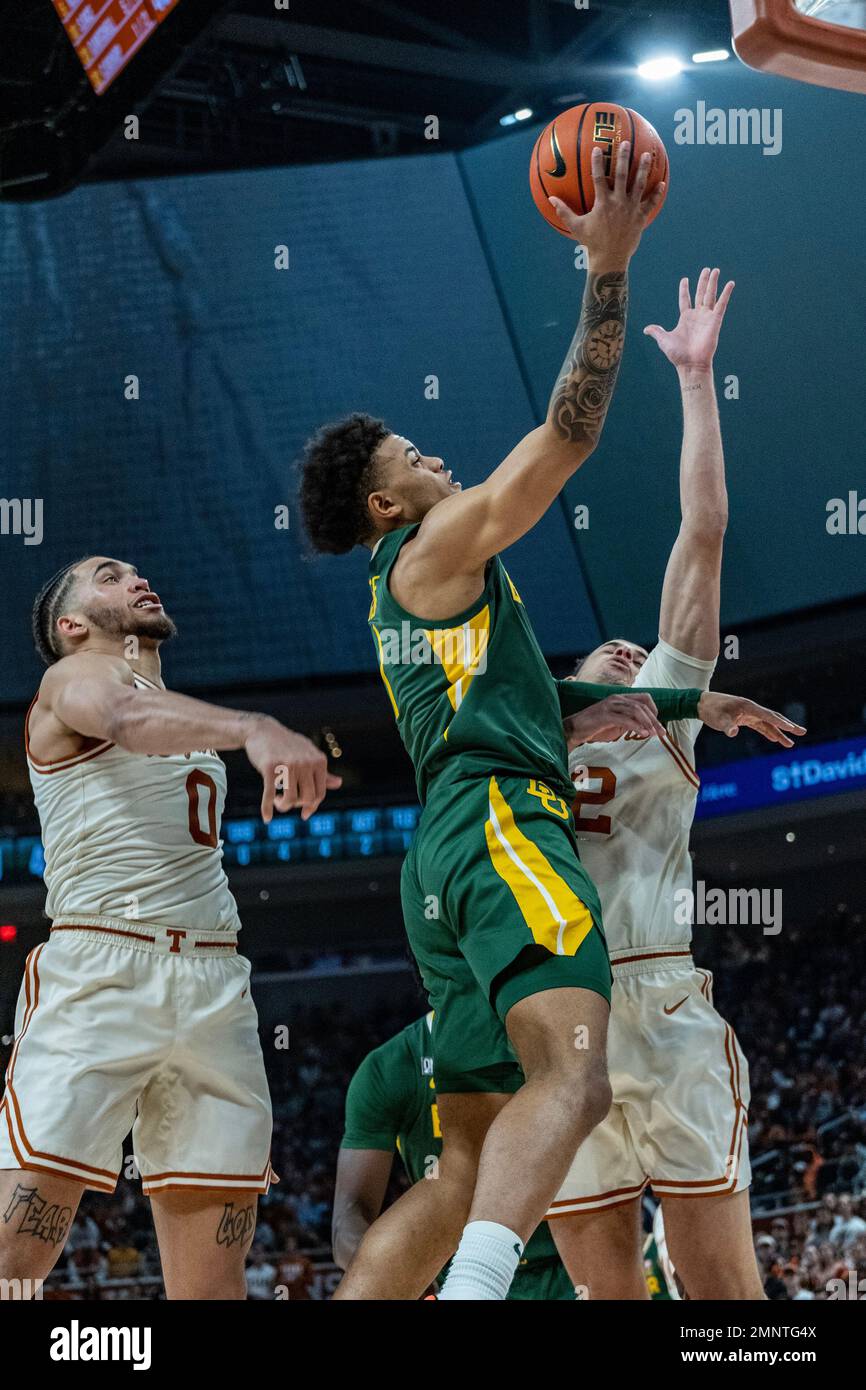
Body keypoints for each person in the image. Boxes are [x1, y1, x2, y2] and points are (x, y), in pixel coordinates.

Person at [301, 145, 803, 1299]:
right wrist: (607, 270)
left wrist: (687, 694)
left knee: (709, 1292)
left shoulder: (621, 710)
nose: (434, 458)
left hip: (604, 974)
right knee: (573, 1168)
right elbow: (564, 439)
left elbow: (701, 537)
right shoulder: (442, 565)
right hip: (541, 924)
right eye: (410, 457)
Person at [0, 555, 339, 1299]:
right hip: (105, 969)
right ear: (72, 622)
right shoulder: (76, 676)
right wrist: (255, 727)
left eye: (136, 572)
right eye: (109, 575)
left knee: (213, 1284)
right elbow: (123, 719)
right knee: (15, 1253)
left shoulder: (173, 707)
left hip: (215, 978)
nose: (137, 577)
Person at [546, 269, 772, 1299]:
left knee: (723, 1294)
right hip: (555, 1012)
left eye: (643, 653)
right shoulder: (520, 739)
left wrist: (692, 383)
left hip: (655, 987)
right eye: (611, 651)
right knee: (608, 1295)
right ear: (572, 676)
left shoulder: (665, 723)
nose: (633, 654)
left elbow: (702, 533)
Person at [333, 1013, 575, 1298]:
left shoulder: (557, 1033)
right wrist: (404, 1275)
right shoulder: (393, 1066)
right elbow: (347, 1221)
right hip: (461, 1271)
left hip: (569, 1263)